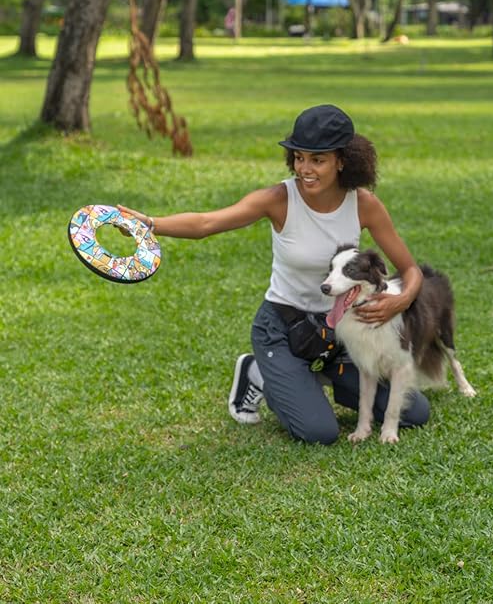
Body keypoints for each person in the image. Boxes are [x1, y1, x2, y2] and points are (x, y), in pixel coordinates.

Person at [118, 104, 430, 445]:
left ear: (342, 160)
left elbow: (410, 270)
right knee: (319, 432)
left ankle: (316, 379)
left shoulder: (363, 203)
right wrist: (150, 224)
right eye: (299, 157)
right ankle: (258, 372)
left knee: (414, 413)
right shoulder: (279, 199)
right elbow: (207, 223)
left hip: (339, 331)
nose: (305, 169)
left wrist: (401, 300)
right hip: (282, 328)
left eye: (317, 160)